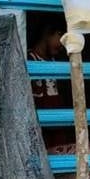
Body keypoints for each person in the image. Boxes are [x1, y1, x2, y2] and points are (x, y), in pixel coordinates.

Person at [28, 17, 71, 147]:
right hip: (39, 134)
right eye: (60, 35)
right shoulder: (28, 60)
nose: (62, 44)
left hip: (58, 134)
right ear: (47, 33)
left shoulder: (57, 64)